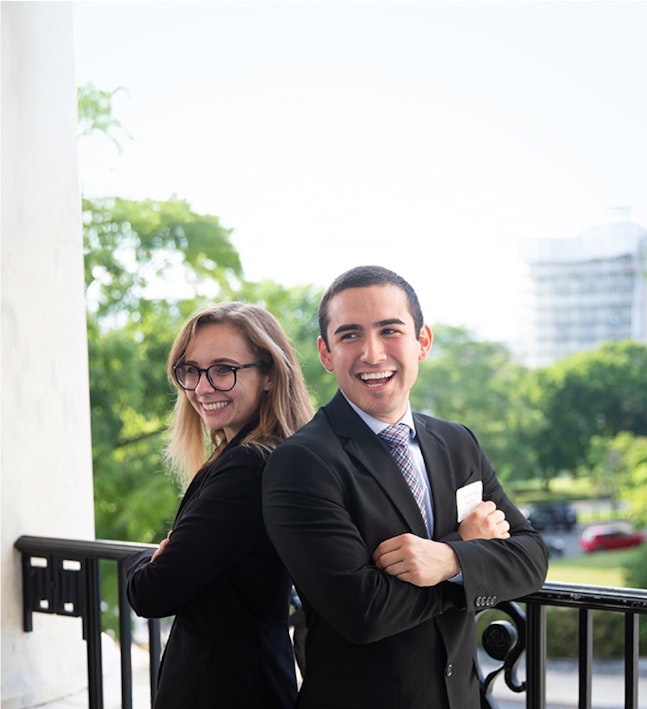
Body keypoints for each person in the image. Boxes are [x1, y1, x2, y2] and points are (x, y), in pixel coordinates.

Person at [262, 266, 549, 708]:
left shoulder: (458, 443)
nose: (372, 354)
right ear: (326, 352)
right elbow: (362, 613)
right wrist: (467, 551)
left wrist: (450, 559)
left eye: (389, 330)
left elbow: (531, 557)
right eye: (350, 335)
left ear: (422, 342)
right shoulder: (302, 462)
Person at [125, 302, 313, 709]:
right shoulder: (265, 455)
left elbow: (151, 594)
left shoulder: (251, 465)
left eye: (224, 369)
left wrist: (145, 563)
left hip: (227, 689)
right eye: (190, 370)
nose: (202, 388)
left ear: (268, 374)